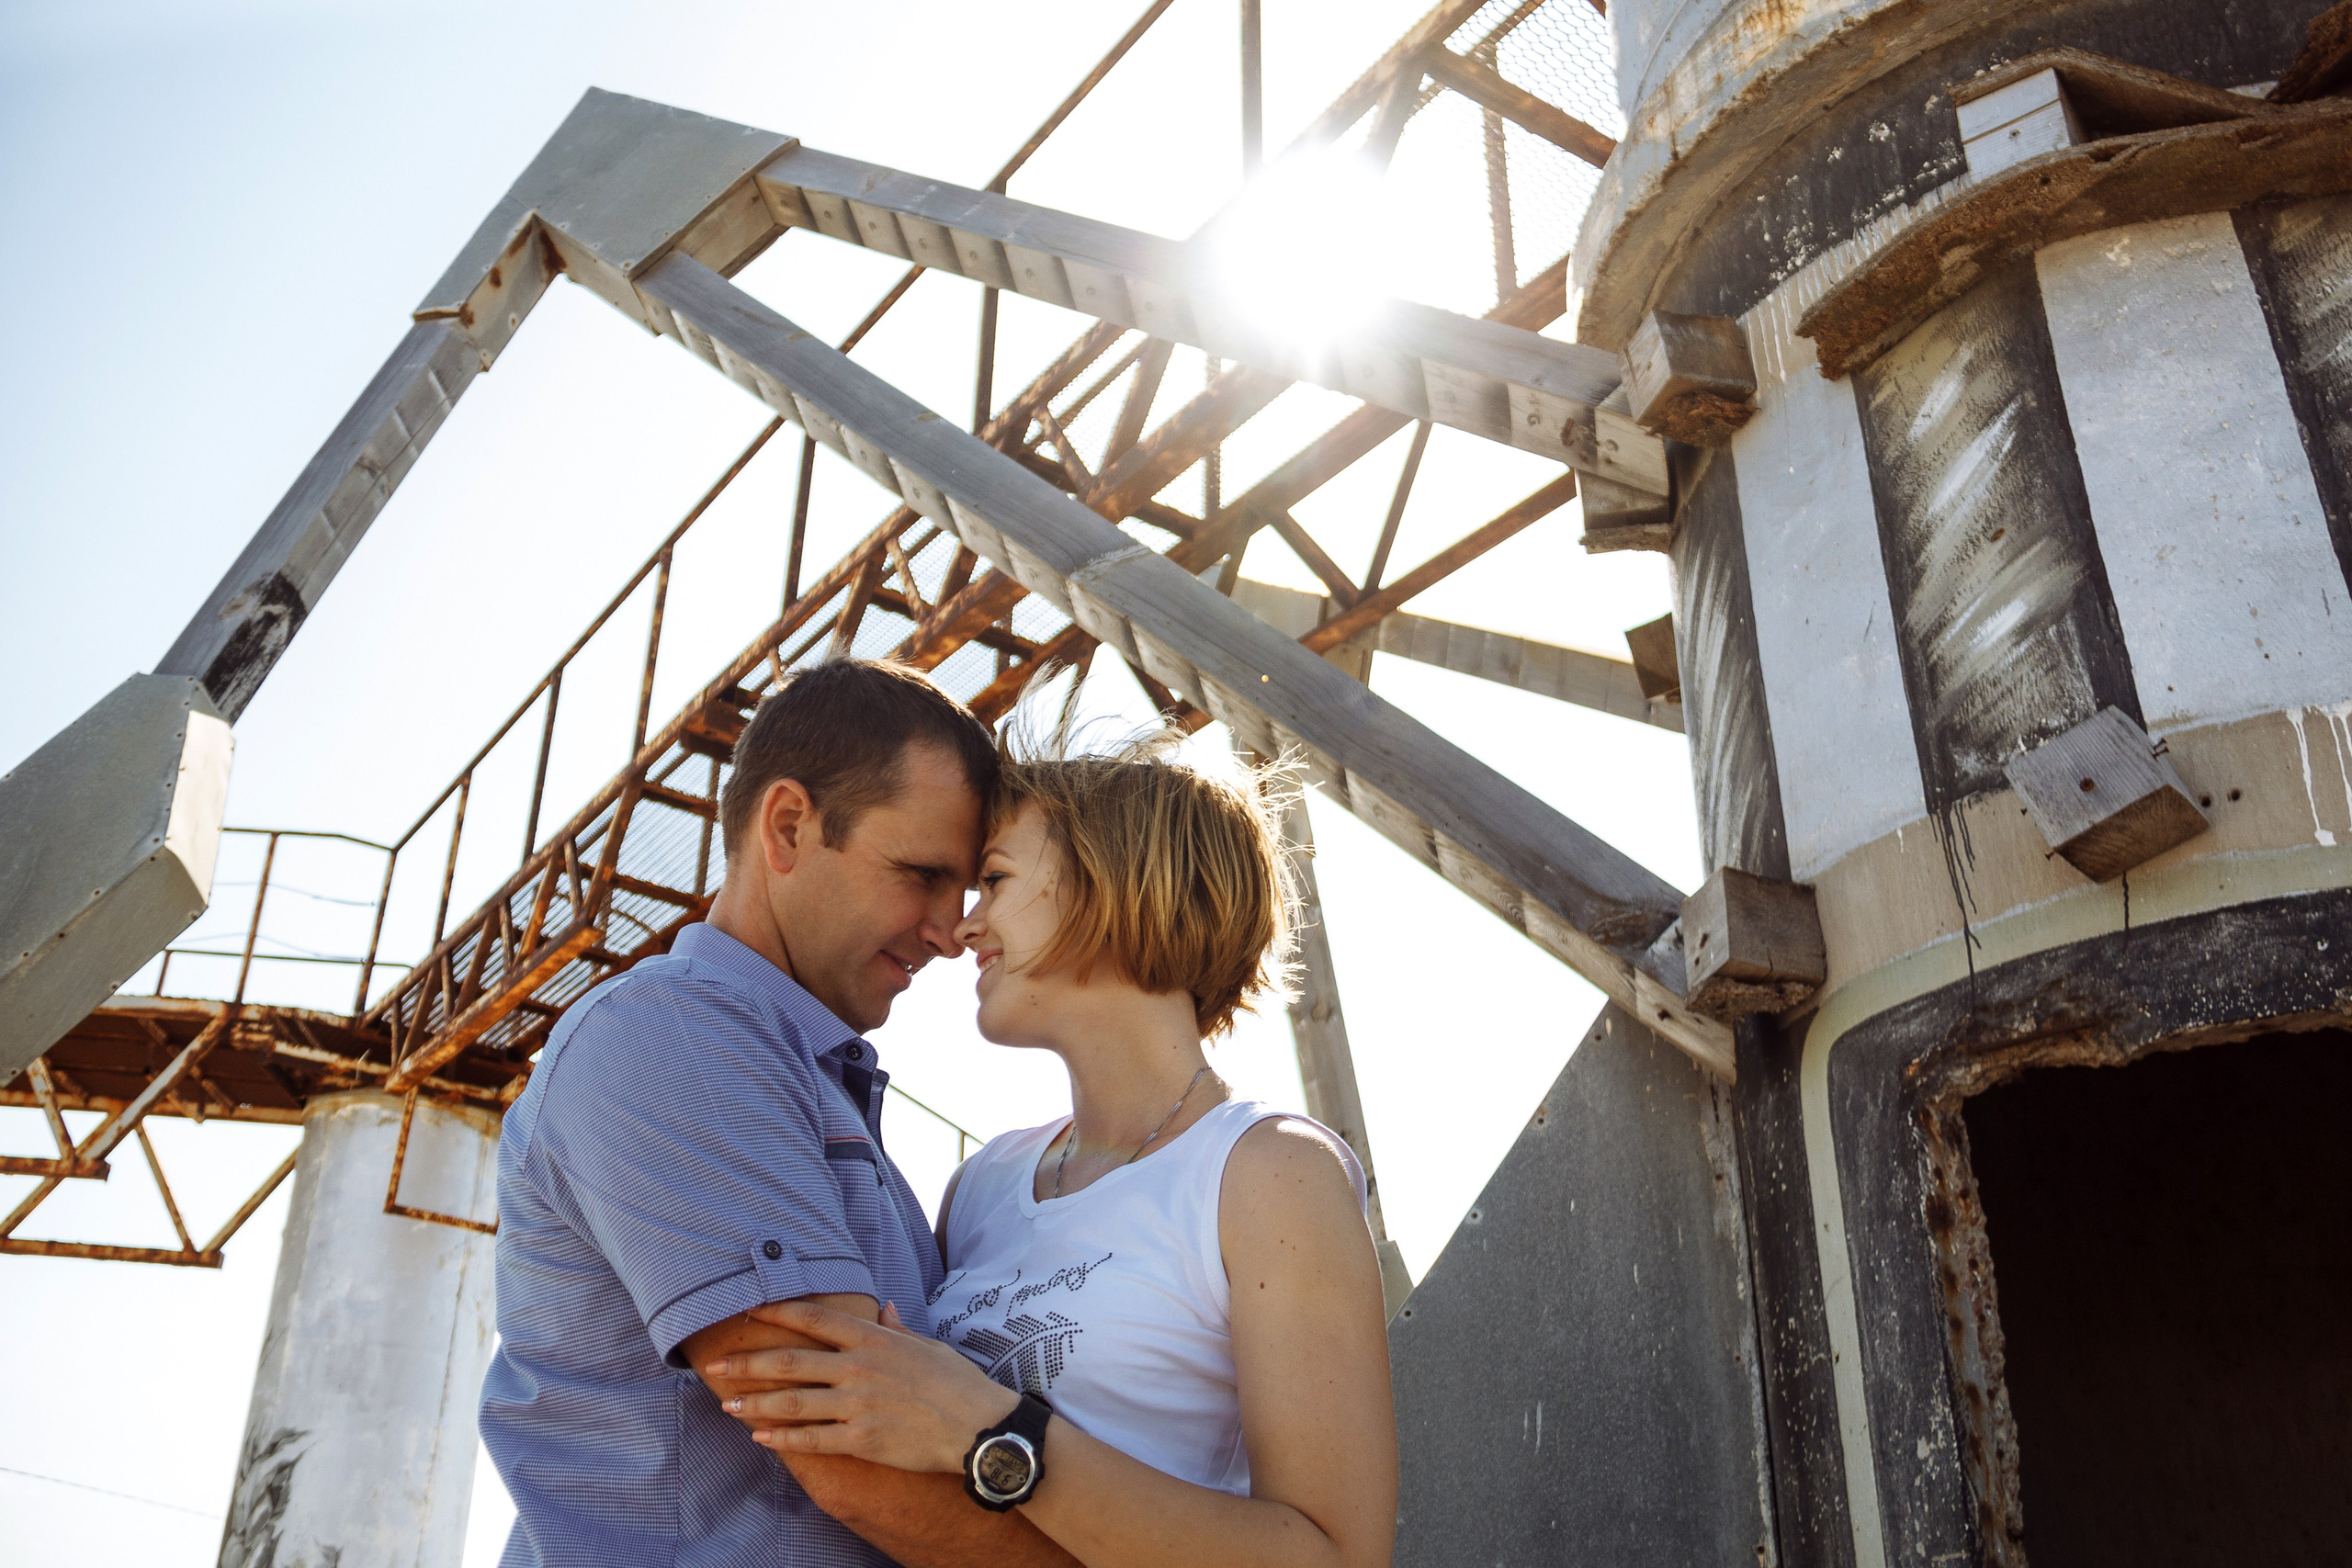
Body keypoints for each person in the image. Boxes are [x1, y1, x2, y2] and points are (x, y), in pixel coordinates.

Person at [699, 738, 1398, 1568]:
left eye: (993, 880)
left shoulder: (1270, 1173)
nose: (962, 928)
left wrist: (987, 1430)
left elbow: (1335, 1556)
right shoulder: (982, 1185)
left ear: (1113, 881)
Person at [480, 658, 1076, 1566]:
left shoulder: (798, 1075)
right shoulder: (672, 1034)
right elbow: (855, 1461)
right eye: (920, 874)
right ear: (789, 825)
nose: (949, 931)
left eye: (964, 890)